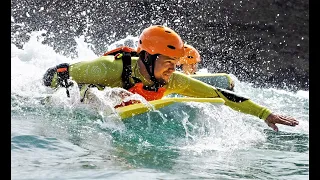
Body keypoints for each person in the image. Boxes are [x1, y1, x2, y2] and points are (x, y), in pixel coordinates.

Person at [42, 25, 299, 132]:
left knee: (192, 79)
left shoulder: (172, 79)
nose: (170, 71)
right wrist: (64, 86)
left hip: (139, 95)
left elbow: (219, 95)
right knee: (111, 95)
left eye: (174, 65)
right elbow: (52, 76)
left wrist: (265, 114)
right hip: (94, 91)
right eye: (167, 63)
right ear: (148, 57)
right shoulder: (108, 69)